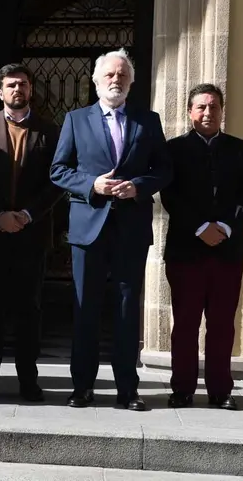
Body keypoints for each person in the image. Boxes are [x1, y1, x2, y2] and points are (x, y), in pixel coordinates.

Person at [50, 48, 172, 411]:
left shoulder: (147, 121)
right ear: (96, 81)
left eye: (122, 75)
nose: (116, 80)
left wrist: (138, 186)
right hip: (88, 227)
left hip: (131, 228)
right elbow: (59, 170)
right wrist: (92, 186)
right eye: (109, 75)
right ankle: (82, 387)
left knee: (125, 309)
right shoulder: (76, 119)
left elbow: (164, 170)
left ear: (131, 82)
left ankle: (127, 390)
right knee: (85, 308)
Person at [0, 63, 62, 402]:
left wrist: (26, 214)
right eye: (10, 85)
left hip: (30, 235)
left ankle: (28, 381)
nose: (17, 89)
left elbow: (56, 182)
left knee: (28, 311)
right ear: (0, 92)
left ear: (31, 89)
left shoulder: (49, 132)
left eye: (22, 83)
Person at [160, 83, 243, 411]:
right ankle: (182, 389)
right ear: (190, 112)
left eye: (214, 106)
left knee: (221, 324)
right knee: (185, 324)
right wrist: (201, 228)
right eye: (201, 107)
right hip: (186, 251)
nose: (207, 112)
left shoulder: (238, 148)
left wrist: (227, 226)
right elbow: (170, 195)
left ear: (221, 110)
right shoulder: (173, 150)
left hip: (227, 252)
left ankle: (220, 390)